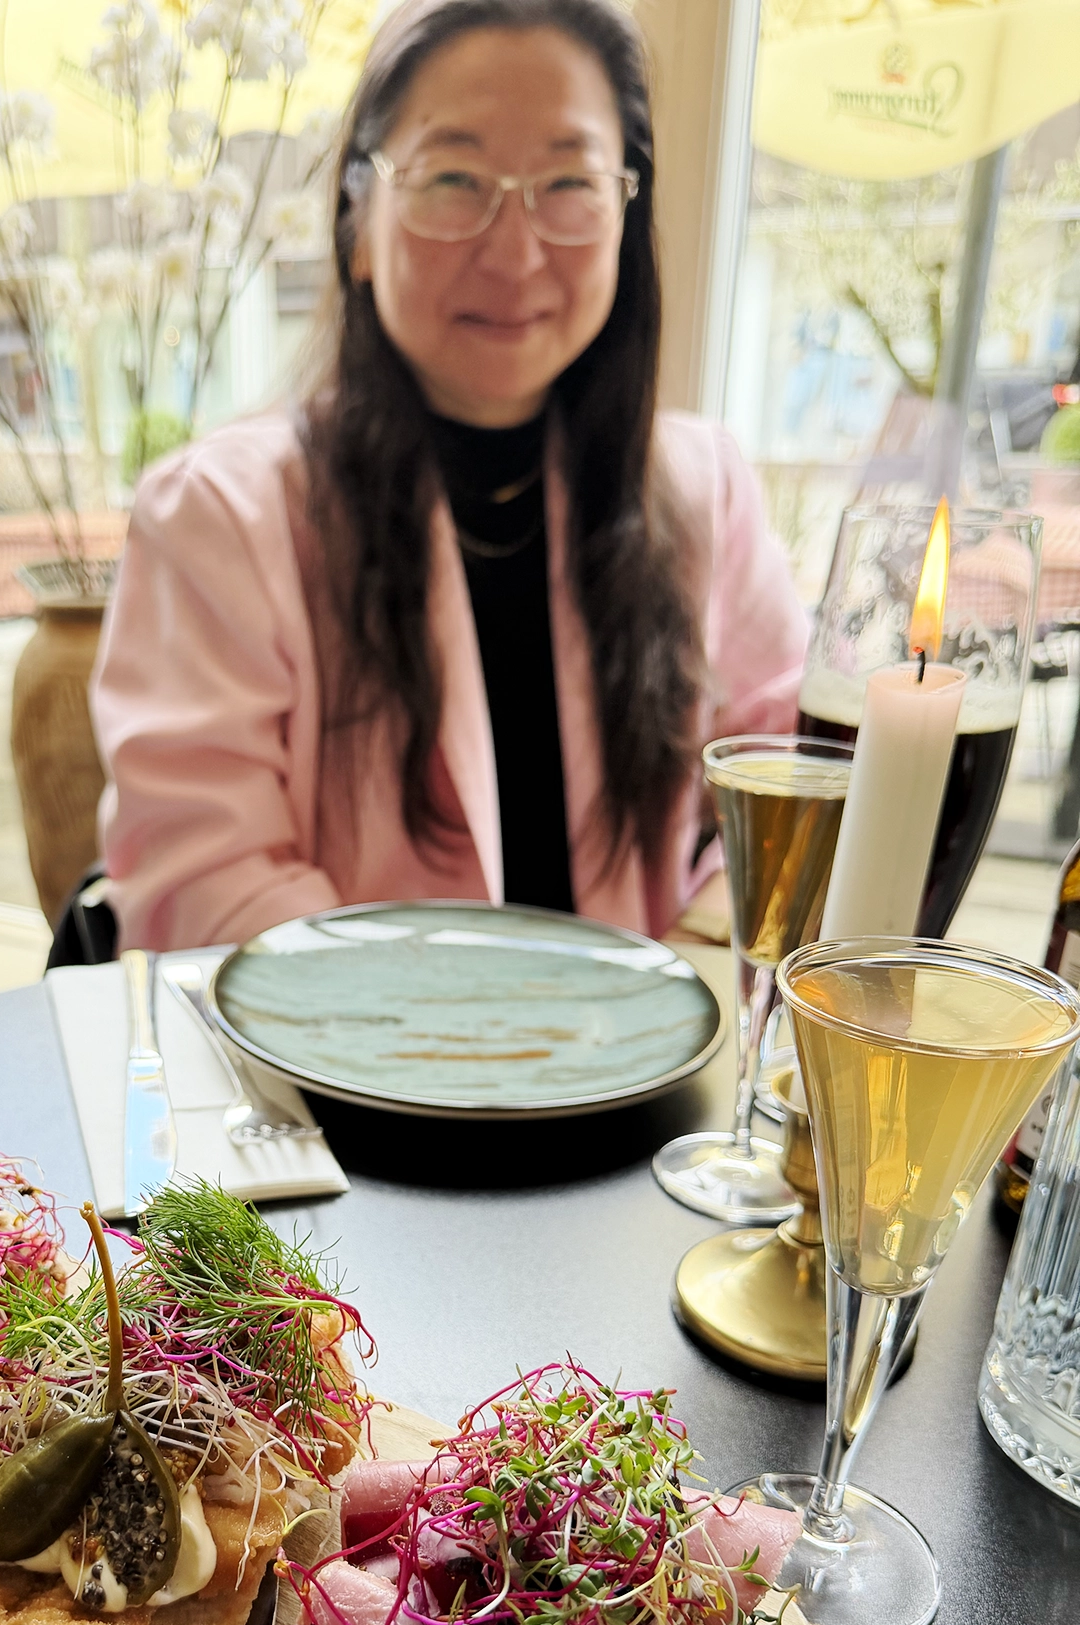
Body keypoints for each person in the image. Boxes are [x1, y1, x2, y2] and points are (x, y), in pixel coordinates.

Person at [91, 0, 807, 952]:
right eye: (453, 178)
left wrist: (695, 956)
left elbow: (795, 778)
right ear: (357, 220)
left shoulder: (701, 489)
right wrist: (491, 1055)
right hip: (349, 1085)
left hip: (643, 1081)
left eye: (568, 183)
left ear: (626, 221)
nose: (514, 254)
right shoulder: (221, 514)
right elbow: (204, 889)